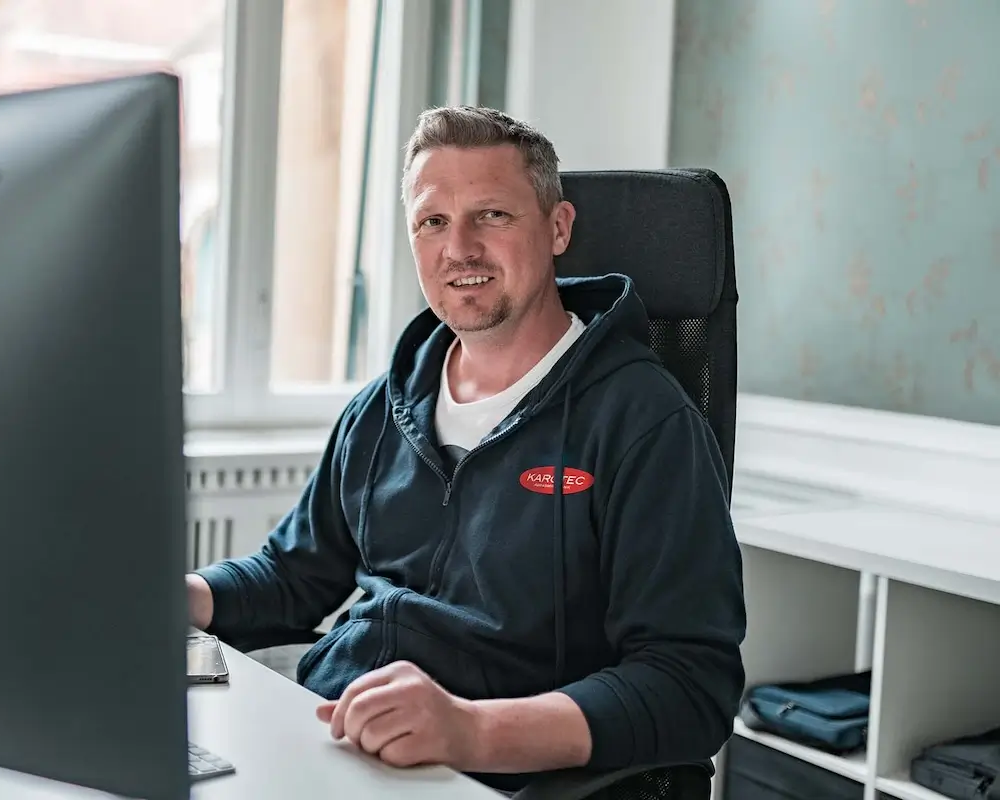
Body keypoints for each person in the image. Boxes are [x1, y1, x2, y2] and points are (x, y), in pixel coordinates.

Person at [187, 106, 746, 797]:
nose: (460, 249)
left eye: (492, 216)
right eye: (433, 222)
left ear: (558, 227)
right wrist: (176, 598)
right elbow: (293, 576)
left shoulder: (644, 422)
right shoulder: (384, 406)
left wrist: (470, 729)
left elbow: (690, 685)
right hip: (343, 741)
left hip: (498, 776)